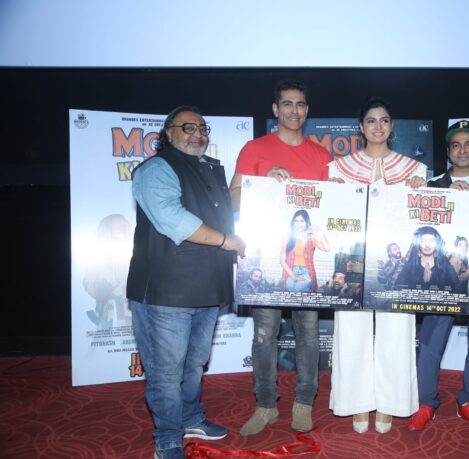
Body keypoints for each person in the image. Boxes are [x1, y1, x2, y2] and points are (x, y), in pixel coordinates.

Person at [126, 106, 246, 459]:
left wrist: (269, 182)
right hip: (166, 291)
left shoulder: (208, 168)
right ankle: (166, 438)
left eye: (203, 128)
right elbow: (172, 220)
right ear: (167, 133)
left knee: (195, 363)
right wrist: (226, 241)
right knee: (166, 370)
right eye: (187, 127)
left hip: (206, 289)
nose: (198, 134)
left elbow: (228, 205)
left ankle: (191, 418)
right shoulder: (156, 168)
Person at [229, 81, 330, 436]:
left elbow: (330, 211)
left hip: (307, 266)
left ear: (306, 110)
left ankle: (304, 403)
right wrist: (261, 183)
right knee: (263, 336)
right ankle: (266, 405)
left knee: (308, 335)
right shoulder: (254, 149)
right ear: (275, 110)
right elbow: (233, 199)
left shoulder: (321, 156)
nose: (294, 110)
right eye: (286, 104)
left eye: (300, 104)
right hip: (267, 262)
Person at [328, 97, 426, 434]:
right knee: (351, 330)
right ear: (361, 127)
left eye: (384, 120)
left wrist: (420, 193)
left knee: (397, 331)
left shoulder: (415, 170)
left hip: (395, 263)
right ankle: (356, 403)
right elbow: (333, 217)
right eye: (371, 121)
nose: (378, 127)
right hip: (354, 258)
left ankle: (390, 403)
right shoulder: (338, 168)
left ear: (392, 126)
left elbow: (420, 219)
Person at [406, 120, 469, 432]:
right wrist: (440, 195)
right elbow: (413, 228)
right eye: (456, 145)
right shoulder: (432, 185)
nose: (463, 150)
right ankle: (425, 402)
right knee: (431, 342)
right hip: (442, 281)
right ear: (448, 151)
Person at [396, 226, 459, 292]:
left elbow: (456, 288)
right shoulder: (410, 266)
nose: (427, 245)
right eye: (423, 241)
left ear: (437, 243)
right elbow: (399, 288)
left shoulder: (446, 265)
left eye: (432, 240)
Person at [280, 209, 330, 292]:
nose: (299, 224)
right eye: (296, 221)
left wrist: (320, 233)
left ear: (307, 222)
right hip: (291, 270)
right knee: (288, 288)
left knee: (297, 289)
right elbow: (282, 261)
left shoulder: (311, 238)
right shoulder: (288, 237)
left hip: (306, 271)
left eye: (302, 221)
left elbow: (327, 248)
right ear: (293, 222)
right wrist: (294, 276)